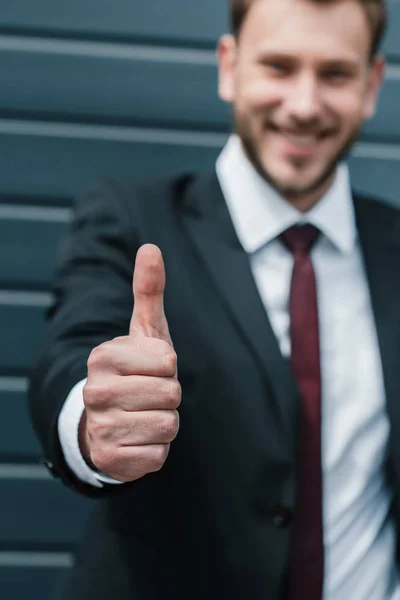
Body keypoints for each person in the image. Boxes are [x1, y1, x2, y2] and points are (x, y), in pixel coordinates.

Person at [28, 0, 399, 598]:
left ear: (371, 83)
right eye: (278, 66)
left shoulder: (395, 248)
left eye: (334, 73)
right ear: (229, 67)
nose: (304, 106)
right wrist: (94, 419)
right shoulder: (129, 220)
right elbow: (71, 352)